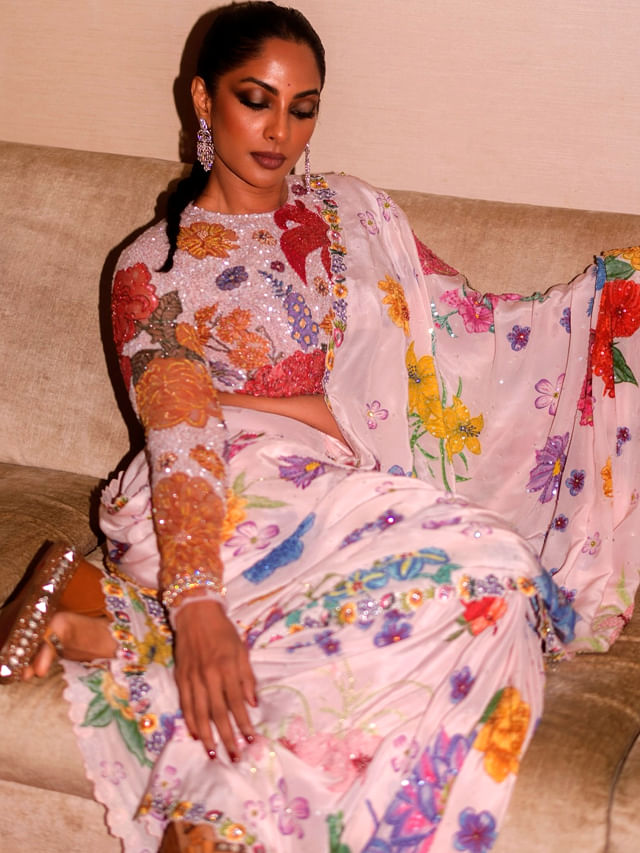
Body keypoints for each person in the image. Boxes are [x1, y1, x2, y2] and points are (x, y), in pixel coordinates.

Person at [1, 2, 638, 852]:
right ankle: (198, 746)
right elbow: (184, 432)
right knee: (486, 564)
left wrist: (606, 309)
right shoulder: (157, 266)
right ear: (203, 98)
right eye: (255, 99)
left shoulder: (349, 213)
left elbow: (464, 334)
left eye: (302, 108)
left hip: (340, 491)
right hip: (217, 501)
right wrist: (197, 605)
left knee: (493, 599)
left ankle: (125, 653)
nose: (280, 131)